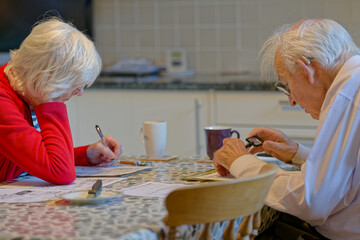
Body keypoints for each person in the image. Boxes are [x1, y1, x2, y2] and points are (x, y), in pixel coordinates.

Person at [212, 18, 360, 240]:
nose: (291, 101)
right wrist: (297, 154)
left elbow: (311, 201)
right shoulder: (352, 80)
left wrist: (240, 162)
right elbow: (347, 177)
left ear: (305, 71)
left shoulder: (347, 95)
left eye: (287, 85)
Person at [0, 17, 122, 185]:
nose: (80, 93)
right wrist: (50, 105)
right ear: (51, 79)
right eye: (76, 85)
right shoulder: (3, 102)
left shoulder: (25, 92)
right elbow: (61, 173)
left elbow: (32, 157)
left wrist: (83, 154)